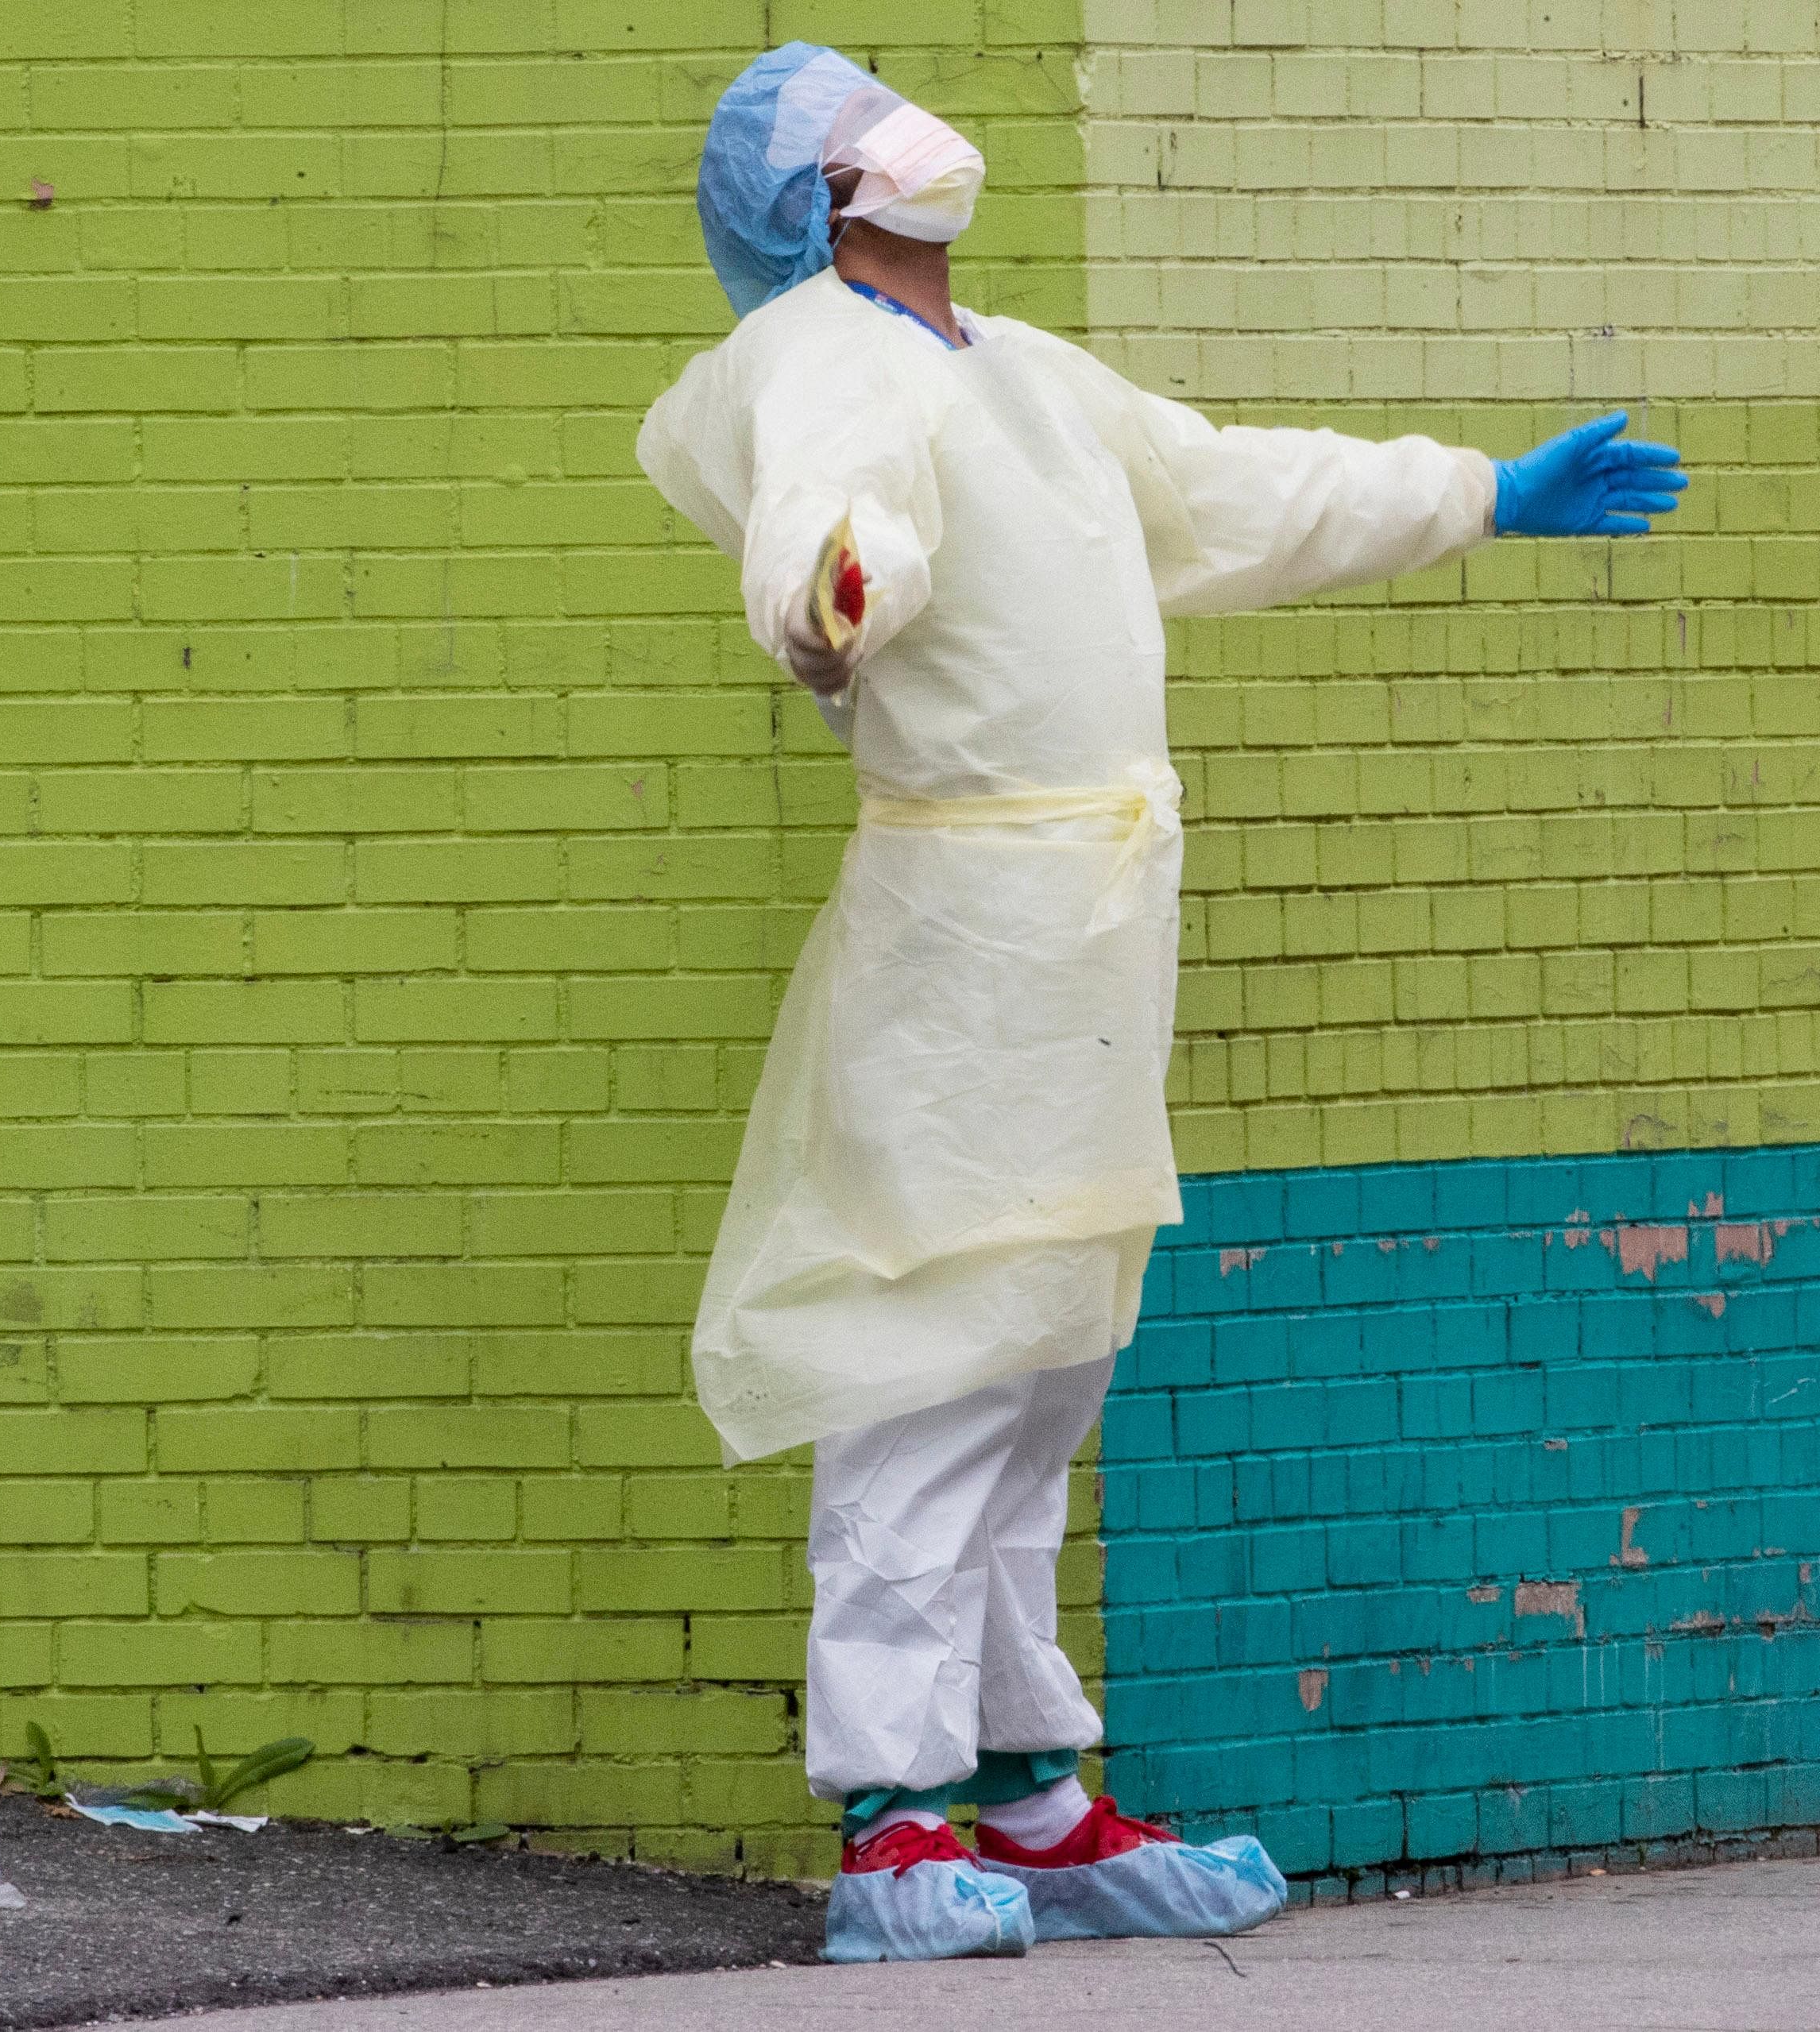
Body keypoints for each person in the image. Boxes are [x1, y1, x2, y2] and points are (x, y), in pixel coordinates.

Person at [635, 43, 1687, 1964]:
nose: (897, 121)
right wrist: (827, 593)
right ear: (816, 200)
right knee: (928, 1357)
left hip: (1087, 927)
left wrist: (1469, 492)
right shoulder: (821, 352)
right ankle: (886, 1812)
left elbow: (1225, 490)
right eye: (844, 120)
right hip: (965, 929)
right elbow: (825, 518)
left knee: (1042, 1366)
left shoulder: (1020, 372)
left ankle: (1027, 1788)